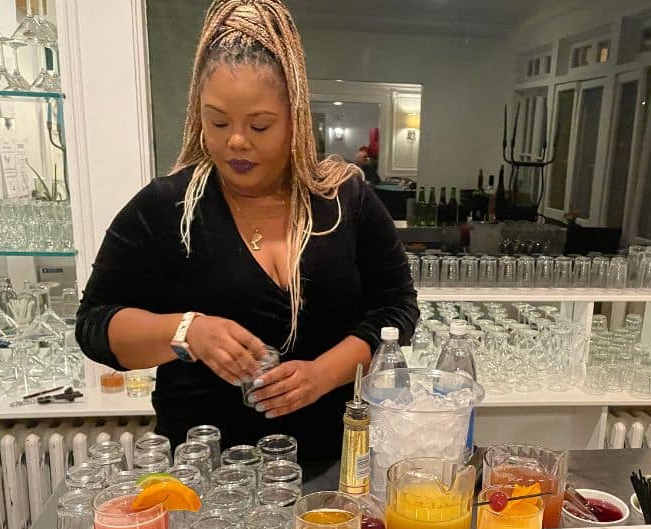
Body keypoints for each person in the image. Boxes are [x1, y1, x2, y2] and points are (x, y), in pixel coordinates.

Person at [76, 0, 418, 479]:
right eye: (217, 122)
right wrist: (184, 331)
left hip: (336, 466)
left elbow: (398, 311)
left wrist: (322, 375)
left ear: (295, 116)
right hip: (207, 477)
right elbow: (94, 325)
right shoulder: (167, 207)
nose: (236, 141)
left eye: (259, 125)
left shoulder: (346, 198)